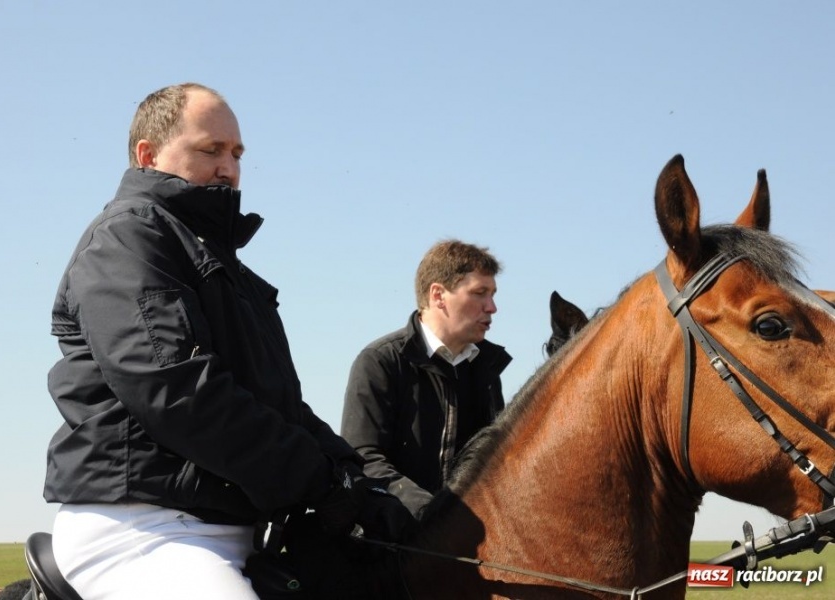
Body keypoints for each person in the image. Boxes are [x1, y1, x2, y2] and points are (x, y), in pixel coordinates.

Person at [43, 82, 406, 600]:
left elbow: (277, 404)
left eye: (236, 153)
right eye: (209, 150)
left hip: (235, 531)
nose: (229, 168)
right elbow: (177, 393)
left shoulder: (226, 267)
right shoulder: (127, 237)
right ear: (149, 154)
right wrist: (317, 480)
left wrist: (354, 476)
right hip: (145, 531)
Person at [340, 240, 512, 518]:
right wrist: (429, 513)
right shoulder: (380, 360)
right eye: (480, 293)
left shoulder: (487, 371)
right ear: (438, 295)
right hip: (389, 542)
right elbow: (363, 457)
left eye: (492, 294)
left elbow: (496, 466)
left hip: (463, 543)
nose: (492, 307)